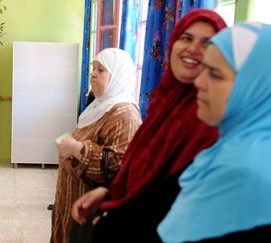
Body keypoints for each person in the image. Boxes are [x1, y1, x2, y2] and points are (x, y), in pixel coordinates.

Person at [71, 9, 227, 242]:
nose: (193, 48)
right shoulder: (163, 104)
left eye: (207, 42)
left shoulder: (209, 119)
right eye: (186, 38)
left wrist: (118, 217)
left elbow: (175, 199)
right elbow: (141, 169)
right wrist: (112, 193)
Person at [158, 22, 271, 242]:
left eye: (215, 75)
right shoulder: (233, 145)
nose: (199, 82)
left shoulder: (243, 171)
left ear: (256, 85)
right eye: (204, 69)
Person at [50, 48, 142, 243]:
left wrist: (77, 149)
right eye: (93, 67)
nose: (93, 73)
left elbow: (119, 168)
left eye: (101, 70)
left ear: (117, 76)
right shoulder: (99, 105)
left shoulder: (124, 114)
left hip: (90, 214)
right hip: (71, 203)